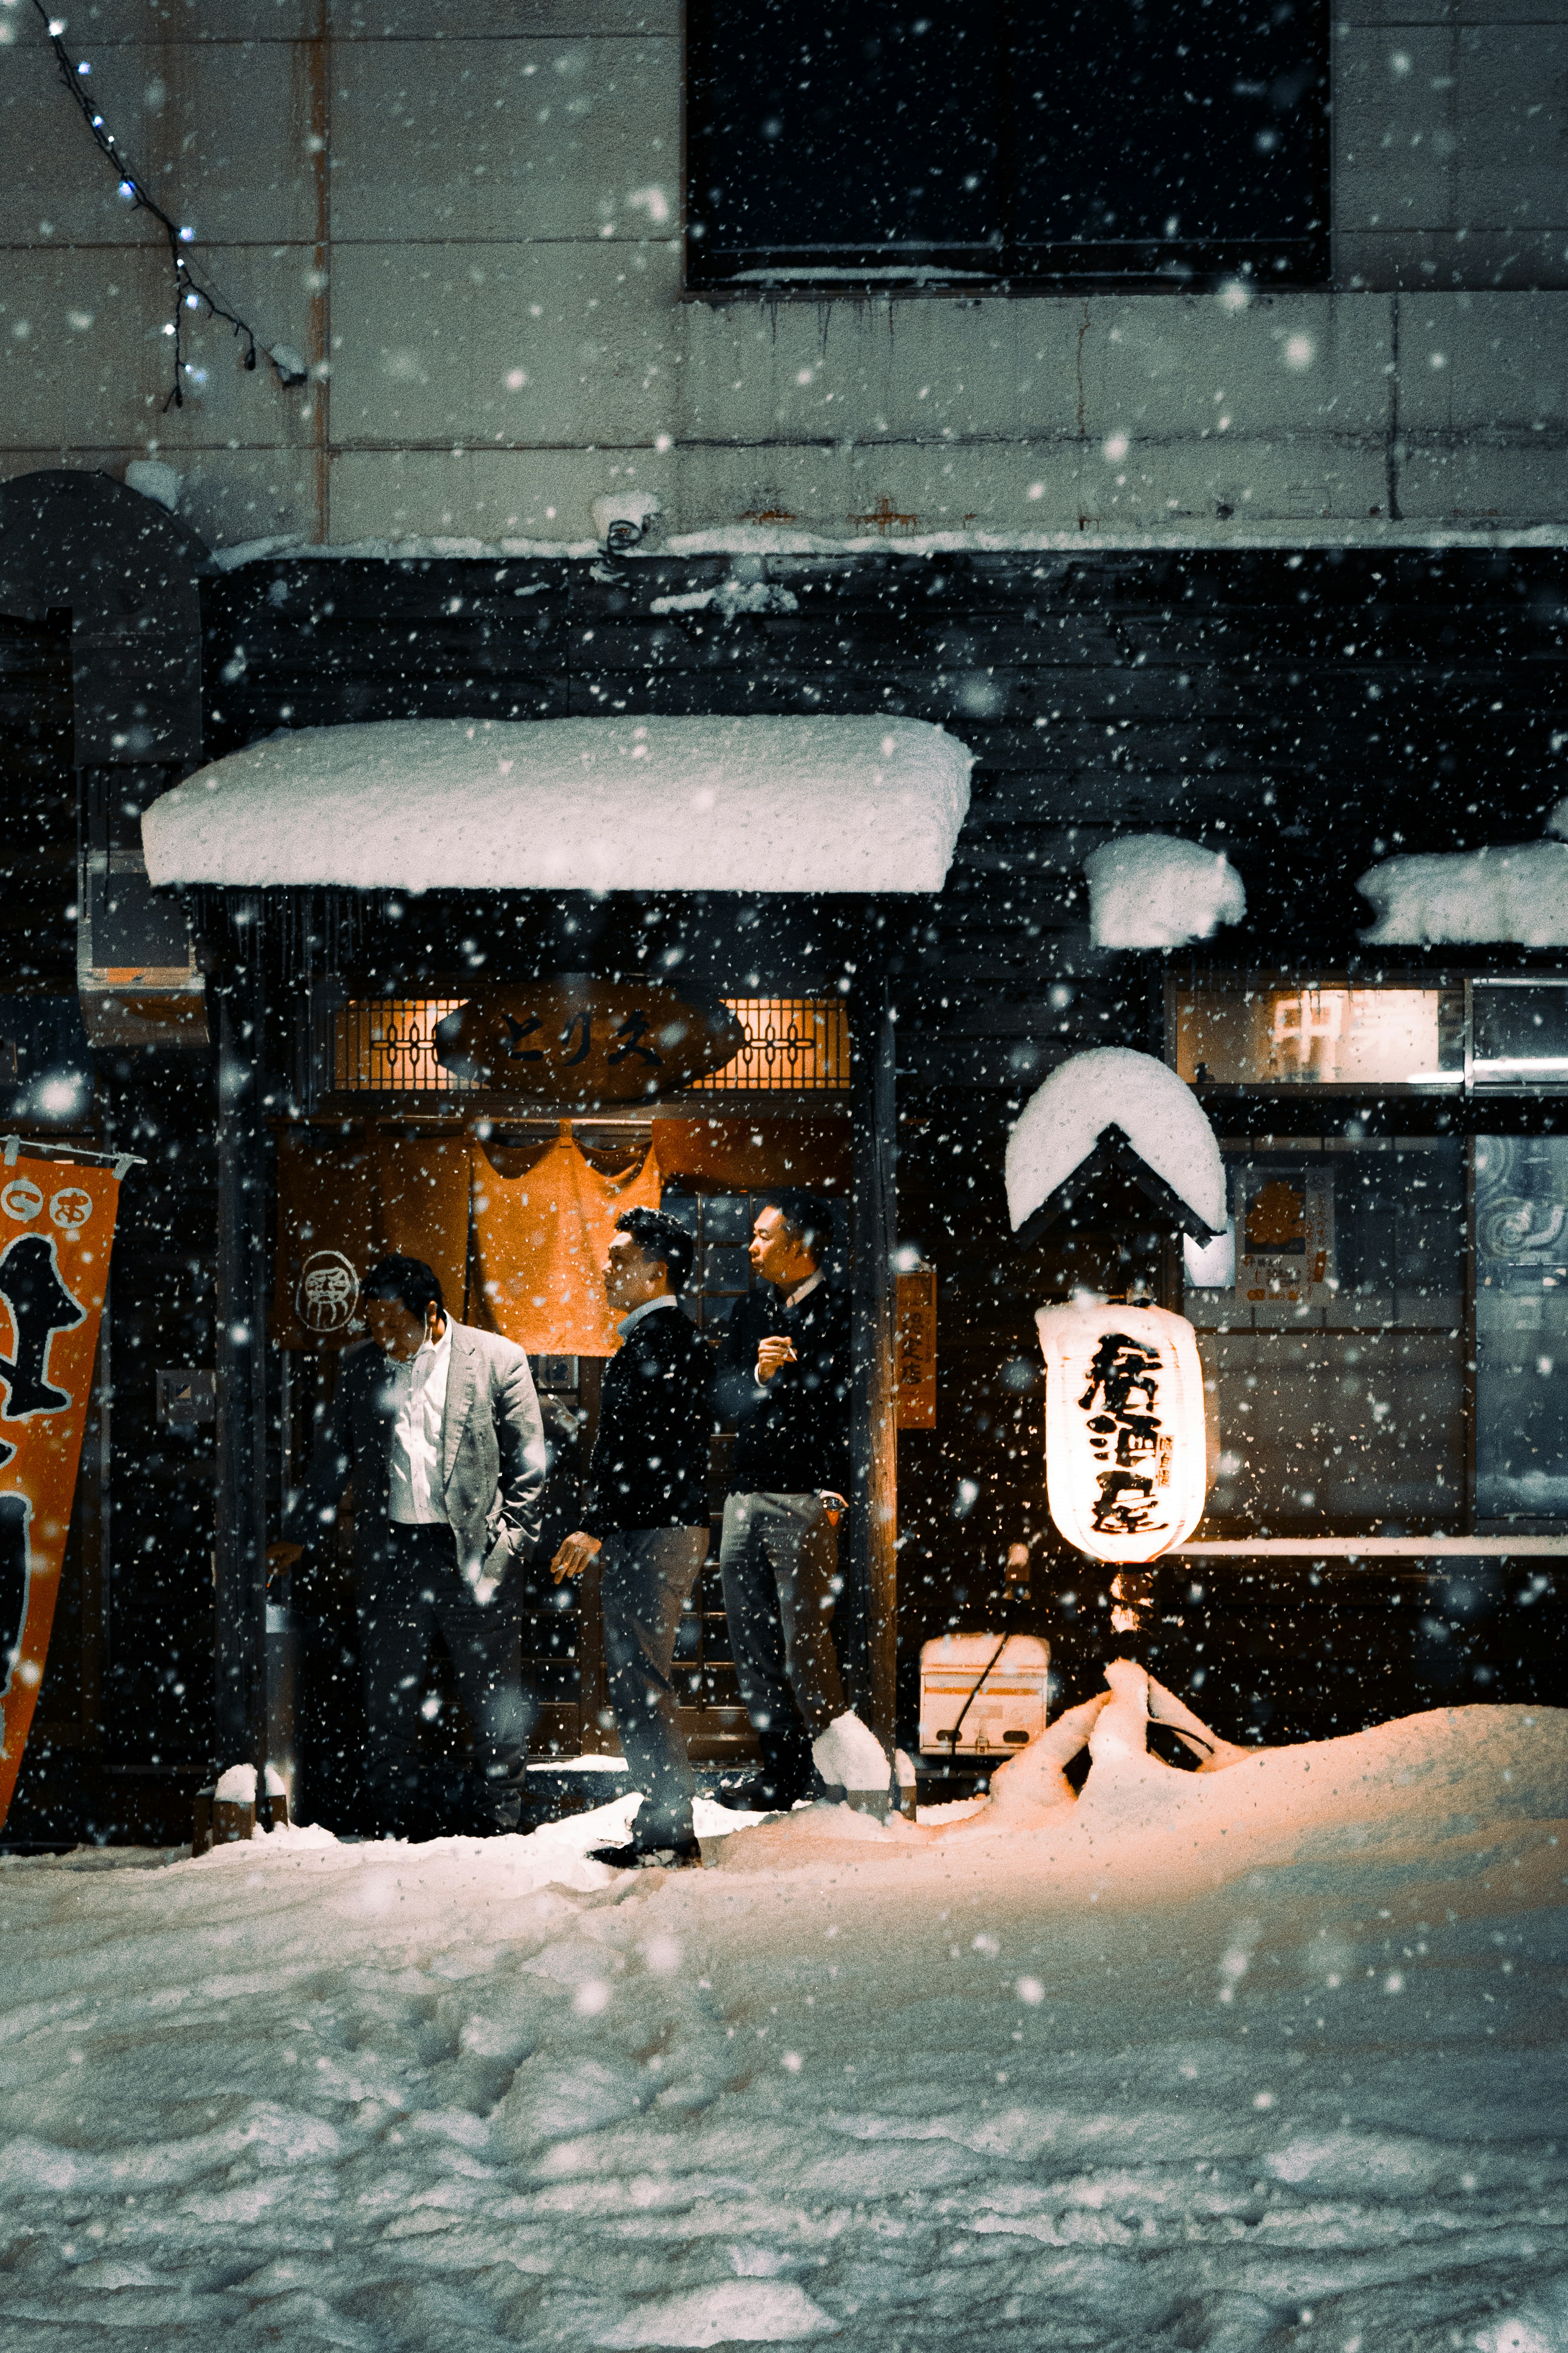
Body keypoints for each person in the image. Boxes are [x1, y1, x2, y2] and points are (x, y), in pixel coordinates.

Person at [269, 1255, 547, 1837]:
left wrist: (508, 1549)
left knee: (491, 1694)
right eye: (373, 1323)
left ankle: (501, 1820)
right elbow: (332, 1460)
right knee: (388, 1698)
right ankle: (393, 1821)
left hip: (472, 1549)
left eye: (394, 1323)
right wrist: (297, 1535)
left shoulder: (497, 1359)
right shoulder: (361, 1367)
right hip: (392, 1552)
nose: (383, 1336)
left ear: (431, 1312)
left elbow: (530, 1467)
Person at [714, 1190, 890, 1810]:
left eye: (763, 1235)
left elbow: (854, 1410)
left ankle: (835, 1774)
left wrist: (836, 1495)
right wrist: (759, 1376)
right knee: (752, 1644)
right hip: (745, 1494)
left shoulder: (842, 1310)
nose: (752, 1246)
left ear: (801, 1242)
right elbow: (720, 1399)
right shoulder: (751, 1309)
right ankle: (780, 1774)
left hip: (808, 1499)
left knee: (805, 1642)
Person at [550, 1207, 715, 1870]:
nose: (608, 1268)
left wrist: (597, 1521)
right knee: (640, 1677)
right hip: (655, 1525)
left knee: (642, 1680)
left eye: (621, 1257)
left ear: (659, 1269)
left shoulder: (661, 1341)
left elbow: (644, 1449)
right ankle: (663, 1819)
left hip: (656, 1529)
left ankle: (671, 1828)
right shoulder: (660, 1339)